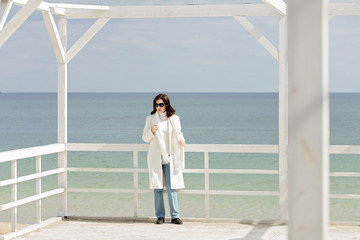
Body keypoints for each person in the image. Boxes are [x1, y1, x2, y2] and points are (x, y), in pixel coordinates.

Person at [142, 93, 186, 225]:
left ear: (166, 104)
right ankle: (160, 216)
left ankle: (175, 216)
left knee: (172, 187)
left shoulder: (174, 118)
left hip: (171, 157)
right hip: (156, 156)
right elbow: (144, 138)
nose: (158, 107)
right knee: (158, 187)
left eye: (161, 104)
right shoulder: (150, 119)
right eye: (156, 104)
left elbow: (179, 133)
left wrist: (182, 139)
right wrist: (152, 131)